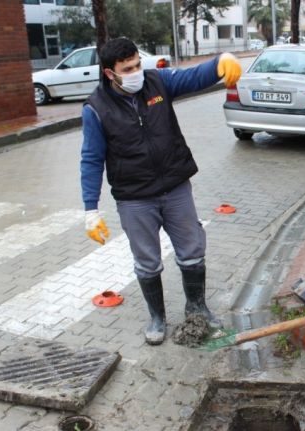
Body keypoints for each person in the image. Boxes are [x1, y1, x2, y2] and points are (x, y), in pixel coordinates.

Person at [80, 37, 241, 345]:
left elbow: (193, 77)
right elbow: (91, 159)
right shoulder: (96, 109)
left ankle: (197, 307)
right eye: (127, 68)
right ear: (109, 73)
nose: (136, 72)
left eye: (138, 64)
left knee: (192, 250)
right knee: (147, 260)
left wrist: (222, 61)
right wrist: (91, 209)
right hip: (135, 199)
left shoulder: (157, 82)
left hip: (175, 187)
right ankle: (157, 317)